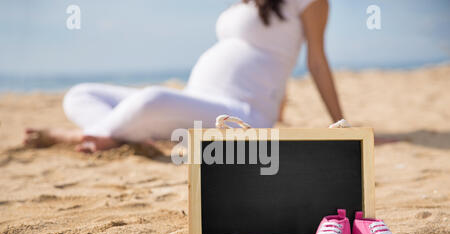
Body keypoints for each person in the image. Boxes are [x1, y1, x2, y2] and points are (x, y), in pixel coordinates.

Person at [25, 0, 344, 152]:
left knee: (152, 98)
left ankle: (88, 135)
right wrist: (284, 108)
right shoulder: (248, 2)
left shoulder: (309, 2)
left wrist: (342, 125)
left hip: (240, 115)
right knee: (80, 94)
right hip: (196, 99)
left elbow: (315, 61)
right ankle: (121, 133)